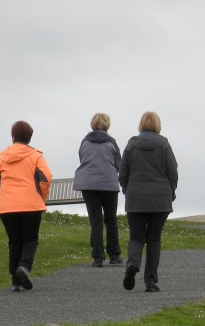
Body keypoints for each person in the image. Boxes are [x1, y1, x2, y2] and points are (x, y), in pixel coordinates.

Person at [0, 120, 52, 292]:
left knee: (14, 241)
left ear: (12, 136)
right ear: (30, 138)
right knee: (30, 239)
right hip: (31, 204)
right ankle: (23, 267)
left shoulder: (2, 158)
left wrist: (4, 194)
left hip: (6, 207)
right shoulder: (36, 156)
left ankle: (15, 280)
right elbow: (46, 177)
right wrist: (41, 196)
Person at [119, 112, 178, 293]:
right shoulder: (164, 145)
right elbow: (172, 171)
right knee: (154, 240)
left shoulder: (131, 146)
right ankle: (150, 281)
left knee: (136, 237)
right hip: (160, 198)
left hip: (136, 198)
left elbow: (123, 174)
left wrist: (128, 190)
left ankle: (133, 263)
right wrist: (171, 192)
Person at [73, 113, 123, 267]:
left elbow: (82, 158)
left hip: (89, 184)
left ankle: (98, 257)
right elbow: (119, 165)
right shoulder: (111, 143)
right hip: (109, 184)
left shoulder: (85, 142)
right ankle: (114, 255)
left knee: (96, 221)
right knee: (111, 219)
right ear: (107, 125)